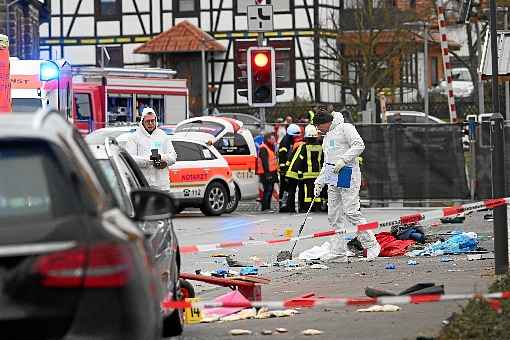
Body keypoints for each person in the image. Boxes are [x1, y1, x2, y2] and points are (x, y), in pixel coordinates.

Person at [313, 110, 381, 260]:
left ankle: (372, 244)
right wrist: (320, 181)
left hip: (348, 174)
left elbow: (359, 145)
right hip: (333, 176)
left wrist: (344, 160)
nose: (318, 129)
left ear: (326, 122)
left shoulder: (345, 128)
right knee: (334, 215)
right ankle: (338, 250)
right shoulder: (326, 137)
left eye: (319, 126)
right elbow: (327, 162)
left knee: (351, 212)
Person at [125, 107, 177, 192]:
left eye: (152, 121)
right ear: (142, 122)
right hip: (143, 185)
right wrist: (150, 160)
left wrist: (163, 160)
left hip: (161, 186)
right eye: (147, 121)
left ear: (155, 121)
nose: (150, 123)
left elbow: (173, 156)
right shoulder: (134, 137)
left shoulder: (162, 135)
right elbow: (130, 159)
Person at [285, 124, 324, 213]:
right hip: (318, 174)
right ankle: (317, 207)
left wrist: (295, 173)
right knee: (317, 191)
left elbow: (299, 160)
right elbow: (322, 160)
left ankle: (307, 208)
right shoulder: (321, 147)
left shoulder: (304, 147)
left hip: (307, 174)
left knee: (308, 192)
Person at [278, 123, 302, 212]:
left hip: (289, 168)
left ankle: (286, 205)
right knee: (284, 187)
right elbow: (282, 157)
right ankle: (283, 205)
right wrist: (283, 170)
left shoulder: (289, 141)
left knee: (287, 188)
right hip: (285, 170)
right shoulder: (285, 142)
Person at [256, 133, 279, 211]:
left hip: (270, 172)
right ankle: (265, 207)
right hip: (266, 173)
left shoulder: (270, 147)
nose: (274, 141)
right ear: (268, 139)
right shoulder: (264, 148)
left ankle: (267, 207)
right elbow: (265, 162)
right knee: (267, 190)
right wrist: (268, 174)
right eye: (273, 139)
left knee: (269, 190)